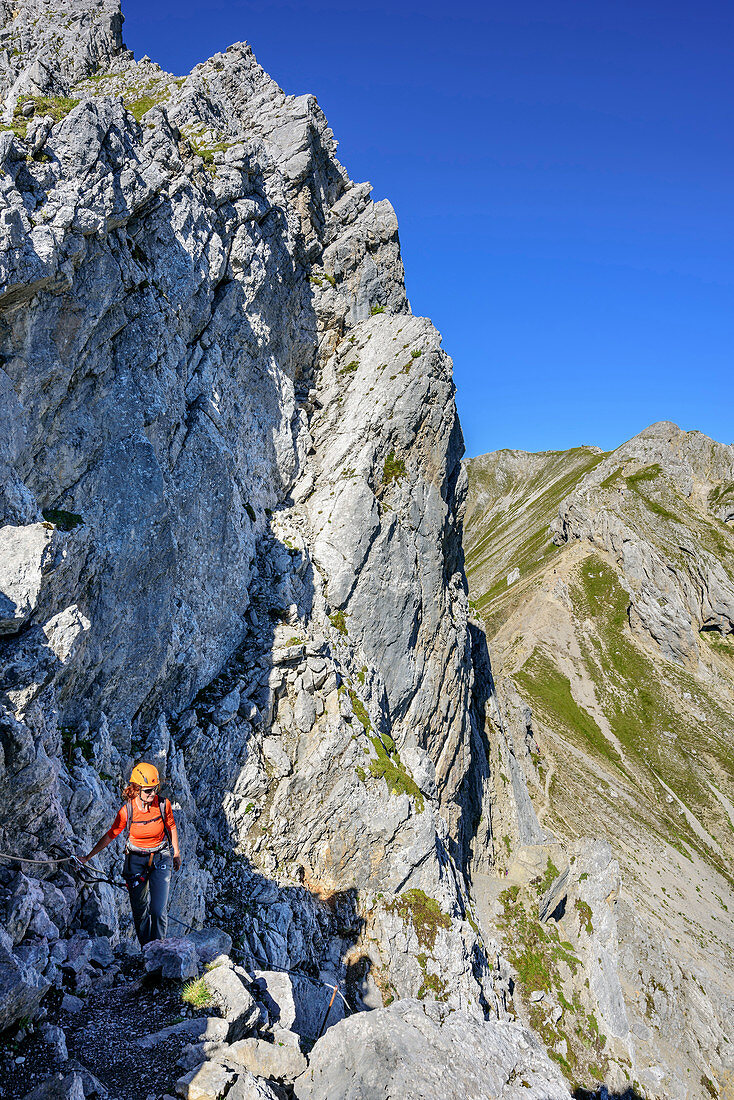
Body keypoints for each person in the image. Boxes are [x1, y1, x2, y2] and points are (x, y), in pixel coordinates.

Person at [80, 763, 181, 946]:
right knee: (140, 911)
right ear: (136, 789)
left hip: (161, 857)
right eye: (148, 791)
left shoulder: (163, 804)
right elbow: (111, 834)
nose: (153, 795)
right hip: (135, 861)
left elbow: (171, 825)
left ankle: (158, 950)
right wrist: (88, 857)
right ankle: (147, 949)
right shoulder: (127, 811)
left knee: (158, 910)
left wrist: (176, 853)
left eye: (155, 789)